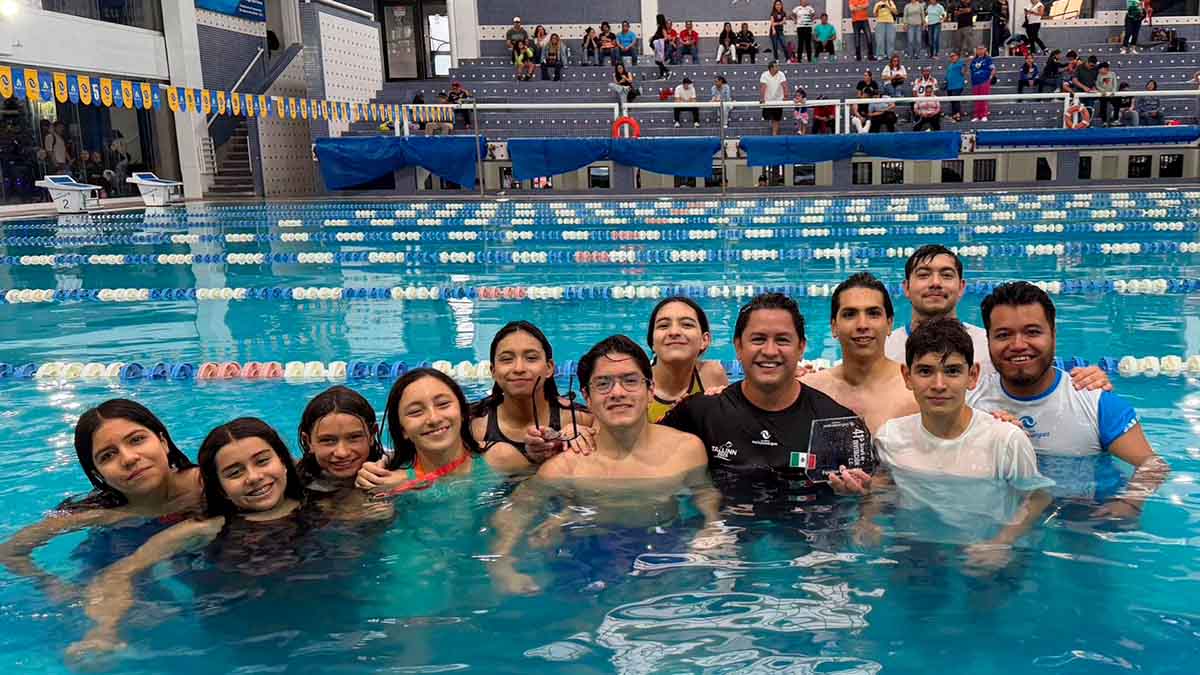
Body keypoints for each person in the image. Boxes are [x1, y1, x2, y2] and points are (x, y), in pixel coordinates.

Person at [488, 335, 720, 596]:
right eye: (603, 384)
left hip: (666, 547)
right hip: (589, 554)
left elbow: (706, 495)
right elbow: (516, 510)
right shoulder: (565, 467)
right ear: (587, 396)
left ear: (650, 389)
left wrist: (713, 526)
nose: (617, 393)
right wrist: (502, 563)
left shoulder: (686, 450)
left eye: (630, 381)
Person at [68, 417, 307, 657]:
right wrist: (103, 632)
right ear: (220, 488)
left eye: (263, 461)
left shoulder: (317, 502)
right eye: (234, 473)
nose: (253, 477)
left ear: (284, 462)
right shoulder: (206, 527)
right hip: (241, 629)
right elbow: (118, 573)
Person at [834, 318, 1053, 574]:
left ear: (973, 376)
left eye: (952, 371)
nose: (939, 385)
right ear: (907, 376)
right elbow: (884, 484)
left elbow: (1038, 496)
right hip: (915, 552)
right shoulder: (890, 437)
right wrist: (868, 519)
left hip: (983, 552)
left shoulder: (1005, 440)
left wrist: (1002, 542)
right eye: (925, 371)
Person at [971, 282, 1170, 514]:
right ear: (988, 340)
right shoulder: (971, 401)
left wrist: (1129, 503)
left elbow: (1153, 465)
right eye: (1003, 335)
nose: (1018, 345)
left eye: (1032, 332)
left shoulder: (1094, 402)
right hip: (1006, 512)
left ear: (1054, 335)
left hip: (1085, 513)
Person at [0, 400, 202, 600]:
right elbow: (9, 551)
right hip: (117, 544)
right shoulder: (98, 513)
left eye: (137, 440)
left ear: (163, 442)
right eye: (107, 456)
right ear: (98, 474)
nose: (128, 458)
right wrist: (50, 584)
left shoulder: (206, 486)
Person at [658, 293, 862, 492]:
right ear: (738, 347)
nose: (770, 351)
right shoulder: (700, 414)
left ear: (801, 348)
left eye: (782, 340)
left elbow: (866, 496)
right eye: (758, 339)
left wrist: (855, 492)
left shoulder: (838, 424)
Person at [468, 322, 591, 474]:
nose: (519, 368)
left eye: (531, 358)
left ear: (549, 368)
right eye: (506, 359)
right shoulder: (475, 426)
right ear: (493, 371)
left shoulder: (580, 419)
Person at [356, 369, 504, 495]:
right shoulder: (387, 480)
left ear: (463, 412)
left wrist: (413, 481)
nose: (434, 419)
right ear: (402, 430)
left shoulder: (500, 458)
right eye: (415, 412)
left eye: (443, 404)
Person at [802, 273, 919, 433]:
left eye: (873, 314)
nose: (862, 325)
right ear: (834, 327)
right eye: (850, 314)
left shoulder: (916, 392)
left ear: (889, 324)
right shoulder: (808, 390)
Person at [296, 386, 391, 516]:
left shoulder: (393, 470)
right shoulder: (294, 482)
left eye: (354, 437)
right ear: (308, 442)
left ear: (372, 435)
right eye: (328, 440)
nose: (342, 453)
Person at [646, 297, 730, 423]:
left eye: (687, 325)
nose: (674, 332)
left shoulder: (711, 373)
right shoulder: (638, 386)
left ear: (704, 340)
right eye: (663, 325)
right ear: (652, 342)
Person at [759, 61, 790, 136]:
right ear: (771, 68)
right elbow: (763, 86)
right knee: (767, 117)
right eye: (776, 66)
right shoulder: (764, 75)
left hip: (778, 100)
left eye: (778, 66)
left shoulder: (781, 74)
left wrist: (786, 96)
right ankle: (774, 131)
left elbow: (784, 85)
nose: (778, 67)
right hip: (768, 100)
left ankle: (774, 134)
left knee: (776, 119)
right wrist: (762, 98)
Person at [969, 44, 995, 122]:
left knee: (983, 99)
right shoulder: (974, 60)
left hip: (984, 81)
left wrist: (990, 78)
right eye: (978, 49)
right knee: (976, 100)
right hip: (975, 82)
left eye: (981, 49)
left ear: (984, 50)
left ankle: (984, 115)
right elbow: (971, 70)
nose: (980, 51)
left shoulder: (988, 59)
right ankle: (977, 116)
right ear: (976, 51)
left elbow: (993, 69)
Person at [944, 50, 967, 121]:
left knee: (956, 100)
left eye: (953, 56)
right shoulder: (950, 65)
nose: (952, 57)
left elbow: (963, 71)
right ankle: (954, 114)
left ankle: (958, 114)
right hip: (950, 86)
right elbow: (948, 74)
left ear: (957, 56)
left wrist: (964, 68)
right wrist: (945, 80)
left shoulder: (961, 63)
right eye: (951, 56)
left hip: (957, 86)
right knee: (952, 101)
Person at [1095, 61, 1118, 126]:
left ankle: (1115, 119)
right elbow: (1097, 85)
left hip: (1111, 94)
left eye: (1100, 69)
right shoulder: (1099, 75)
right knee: (1103, 107)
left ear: (1105, 68)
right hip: (1103, 94)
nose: (1099, 70)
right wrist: (1102, 91)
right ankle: (1104, 121)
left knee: (1116, 105)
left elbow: (1115, 83)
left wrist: (1113, 91)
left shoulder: (1112, 74)